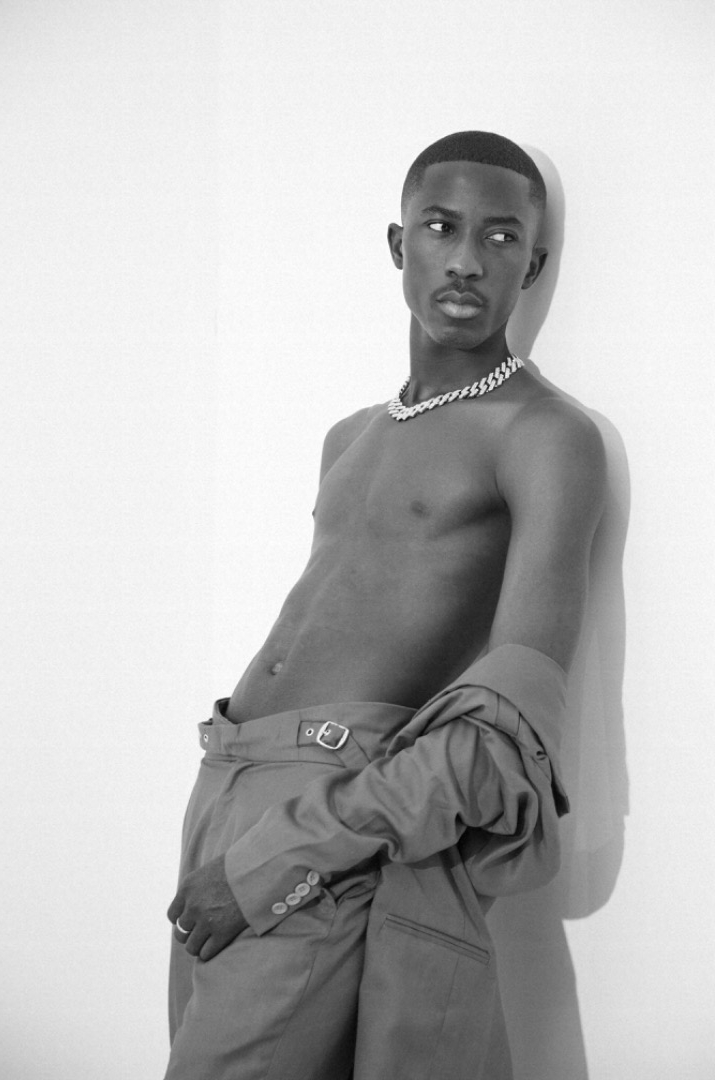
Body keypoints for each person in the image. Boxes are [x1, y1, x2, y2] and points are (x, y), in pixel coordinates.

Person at [164, 131, 606, 1080]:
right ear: (399, 244)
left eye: (500, 237)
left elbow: (508, 734)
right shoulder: (349, 436)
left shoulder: (543, 435)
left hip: (325, 812)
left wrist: (290, 848)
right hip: (224, 781)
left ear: (533, 265)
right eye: (441, 227)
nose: (466, 259)